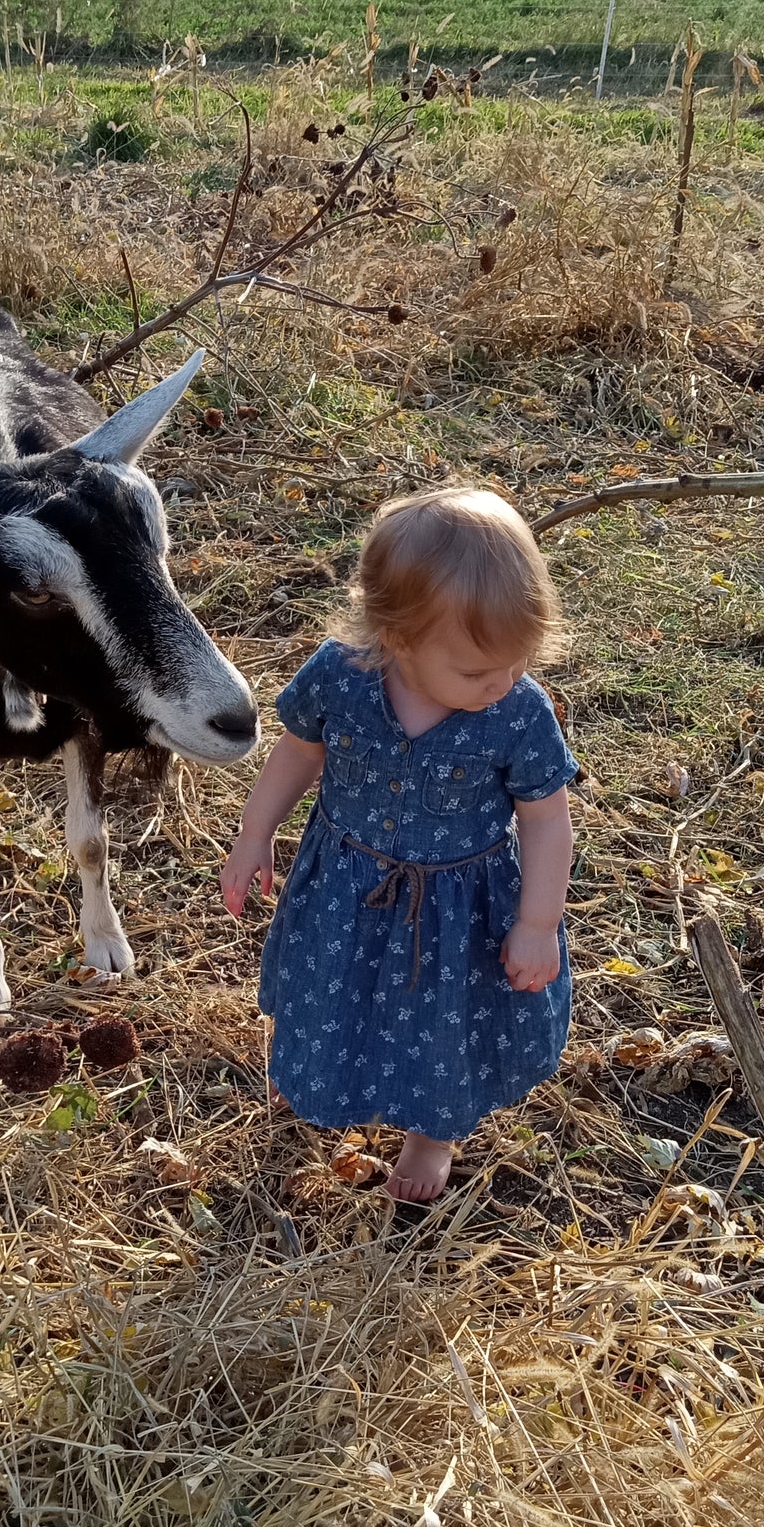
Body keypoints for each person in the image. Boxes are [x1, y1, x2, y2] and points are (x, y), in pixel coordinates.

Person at [221, 489, 577, 1203]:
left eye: (517, 661)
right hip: (343, 885)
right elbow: (297, 753)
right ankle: (312, 1075)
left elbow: (545, 819)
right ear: (398, 638)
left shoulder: (516, 712)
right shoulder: (340, 677)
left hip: (457, 911)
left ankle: (429, 1136)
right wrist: (254, 834)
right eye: (478, 671)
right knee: (326, 989)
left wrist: (537, 924)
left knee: (440, 1026)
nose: (503, 681)